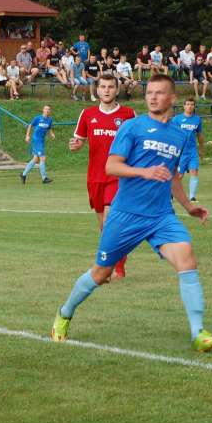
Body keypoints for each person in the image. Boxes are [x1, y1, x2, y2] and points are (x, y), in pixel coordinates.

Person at [51, 74, 212, 352]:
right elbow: (112, 167)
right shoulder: (132, 127)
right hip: (125, 214)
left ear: (172, 98)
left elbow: (173, 177)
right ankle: (65, 312)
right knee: (101, 274)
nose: (153, 97)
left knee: (187, 260)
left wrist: (189, 207)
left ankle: (197, 332)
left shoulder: (179, 135)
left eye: (159, 92)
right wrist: (144, 171)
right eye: (149, 92)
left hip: (161, 216)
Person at [70, 74, 136, 278]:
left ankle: (108, 269)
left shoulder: (128, 114)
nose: (106, 90)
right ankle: (118, 260)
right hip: (95, 177)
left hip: (118, 177)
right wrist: (75, 145)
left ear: (117, 90)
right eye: (103, 87)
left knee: (110, 224)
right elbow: (79, 141)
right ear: (97, 90)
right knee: (104, 227)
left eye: (110, 87)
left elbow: (138, 143)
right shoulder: (87, 114)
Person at [171, 98, 205, 202]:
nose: (190, 106)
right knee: (179, 175)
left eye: (192, 104)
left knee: (194, 171)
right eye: (188, 104)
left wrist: (201, 149)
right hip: (181, 152)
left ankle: (192, 197)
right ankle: (169, 194)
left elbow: (199, 135)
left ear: (194, 106)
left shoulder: (197, 119)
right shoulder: (177, 119)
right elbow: (171, 134)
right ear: (184, 106)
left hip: (192, 151)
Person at [21, 105, 55, 184]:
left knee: (35, 159)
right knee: (42, 158)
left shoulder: (49, 120)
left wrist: (52, 134)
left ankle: (23, 174)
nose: (47, 110)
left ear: (50, 111)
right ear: (43, 110)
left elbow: (49, 128)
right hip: (36, 140)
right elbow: (30, 125)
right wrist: (27, 135)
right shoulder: (38, 118)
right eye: (46, 109)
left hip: (42, 141)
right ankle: (44, 178)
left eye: (48, 109)